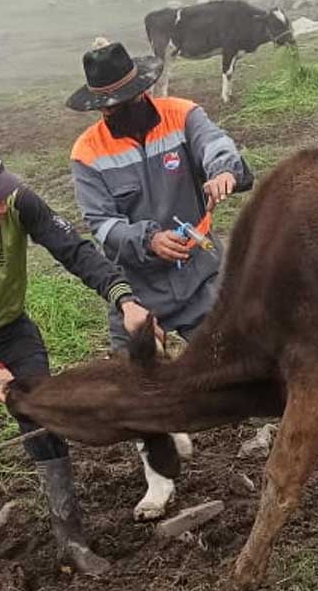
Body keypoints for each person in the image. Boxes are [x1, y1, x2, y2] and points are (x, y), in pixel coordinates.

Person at [0, 140, 158, 591]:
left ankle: (73, 541)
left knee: (45, 418)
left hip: (10, 329)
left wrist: (124, 298)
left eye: (2, 193)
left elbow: (74, 250)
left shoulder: (19, 201)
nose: (0, 206)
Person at [65, 40, 251, 521]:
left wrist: (222, 172)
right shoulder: (87, 152)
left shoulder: (182, 115)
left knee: (240, 356)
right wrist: (148, 240)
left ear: (142, 92)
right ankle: (159, 480)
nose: (113, 113)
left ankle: (288, 427)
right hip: (137, 289)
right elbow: (101, 224)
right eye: (105, 106)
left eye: (121, 102)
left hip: (200, 274)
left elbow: (217, 144)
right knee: (136, 382)